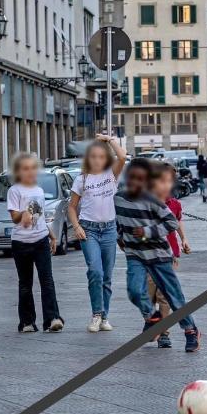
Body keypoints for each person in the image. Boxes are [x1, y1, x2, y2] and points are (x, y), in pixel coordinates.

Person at [115, 158, 202, 352]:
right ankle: (152, 318)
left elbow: (171, 222)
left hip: (159, 254)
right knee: (135, 291)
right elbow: (118, 222)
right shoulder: (118, 199)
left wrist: (147, 233)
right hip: (135, 254)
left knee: (173, 296)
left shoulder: (152, 201)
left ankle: (191, 330)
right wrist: (120, 237)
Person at [68, 135, 126, 332]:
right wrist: (77, 227)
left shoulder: (111, 175)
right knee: (95, 272)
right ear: (88, 158)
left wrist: (109, 140)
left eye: (101, 157)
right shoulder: (81, 180)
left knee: (107, 277)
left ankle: (104, 317)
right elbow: (72, 207)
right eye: (93, 156)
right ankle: (96, 314)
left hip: (109, 230)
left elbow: (123, 156)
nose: (97, 160)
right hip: (89, 230)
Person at [7, 152, 63, 334]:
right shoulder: (14, 190)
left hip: (40, 240)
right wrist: (23, 214)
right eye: (25, 168)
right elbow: (15, 218)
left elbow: (38, 218)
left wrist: (52, 235)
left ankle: (53, 318)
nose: (30, 172)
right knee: (25, 283)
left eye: (33, 168)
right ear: (18, 172)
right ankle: (27, 322)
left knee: (47, 280)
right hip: (21, 243)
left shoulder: (39, 191)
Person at [147, 162, 192, 348]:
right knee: (149, 293)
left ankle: (164, 333)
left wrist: (184, 239)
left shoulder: (174, 203)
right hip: (148, 253)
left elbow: (179, 221)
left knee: (164, 294)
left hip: (169, 253)